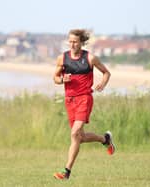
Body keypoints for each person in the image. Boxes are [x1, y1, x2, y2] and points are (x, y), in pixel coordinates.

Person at [53, 29, 115, 180]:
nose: (72, 44)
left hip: (84, 99)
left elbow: (106, 73)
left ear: (81, 42)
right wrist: (62, 80)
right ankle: (105, 139)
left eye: (75, 42)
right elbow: (55, 77)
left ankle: (66, 172)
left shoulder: (90, 58)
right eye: (70, 42)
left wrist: (102, 84)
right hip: (69, 100)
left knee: (74, 134)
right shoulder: (62, 58)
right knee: (79, 137)